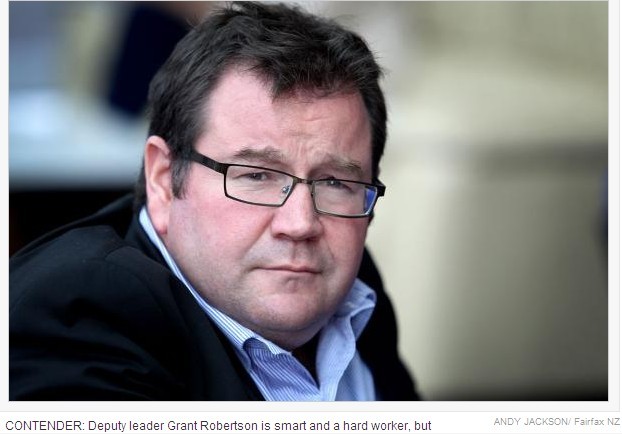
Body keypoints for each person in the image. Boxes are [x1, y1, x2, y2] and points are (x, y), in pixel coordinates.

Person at [10, 1, 417, 401]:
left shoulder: (352, 288)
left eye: (335, 182)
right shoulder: (82, 314)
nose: (300, 224)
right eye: (257, 175)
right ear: (163, 179)